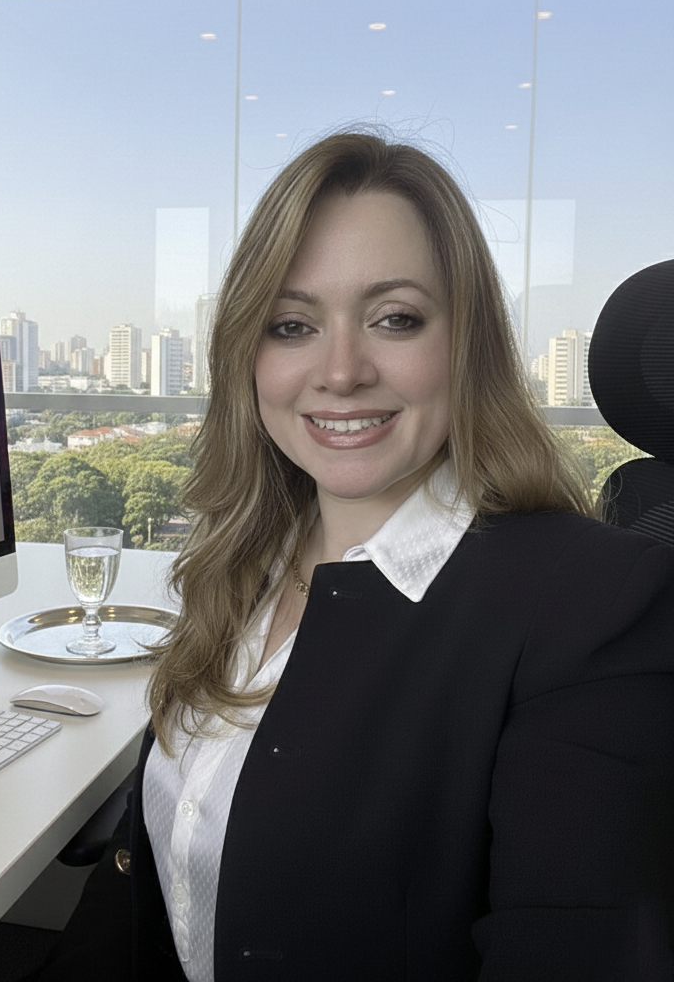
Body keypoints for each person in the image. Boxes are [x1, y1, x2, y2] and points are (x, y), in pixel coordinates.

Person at [37, 132, 674, 981]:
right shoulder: (242, 559)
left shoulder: (596, 604)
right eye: (292, 325)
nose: (340, 372)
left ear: (468, 343)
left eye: (395, 319)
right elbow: (151, 878)